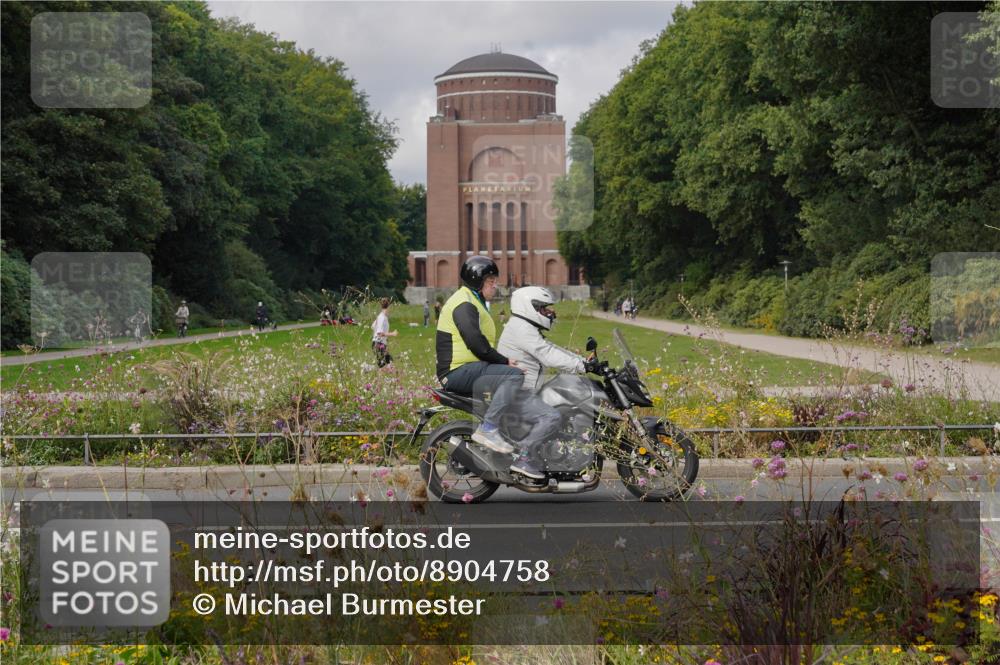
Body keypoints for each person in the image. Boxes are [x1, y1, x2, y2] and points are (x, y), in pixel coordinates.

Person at [497, 286, 589, 479]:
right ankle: (523, 459)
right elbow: (546, 355)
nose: (549, 312)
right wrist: (582, 367)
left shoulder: (525, 327)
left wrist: (583, 362)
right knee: (551, 417)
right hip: (518, 392)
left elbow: (550, 348)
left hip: (524, 388)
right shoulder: (522, 329)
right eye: (544, 308)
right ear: (530, 308)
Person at [436, 256, 522, 453]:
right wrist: (505, 362)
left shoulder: (471, 300)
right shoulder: (464, 303)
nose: (495, 286)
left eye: (495, 281)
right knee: (514, 375)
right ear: (477, 281)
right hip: (457, 371)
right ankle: (488, 429)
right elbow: (476, 344)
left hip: (467, 369)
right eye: (491, 282)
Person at [371, 297, 397, 367]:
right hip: (378, 344)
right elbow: (379, 333)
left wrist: (384, 340)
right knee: (388, 364)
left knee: (384, 365)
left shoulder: (381, 316)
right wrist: (392, 334)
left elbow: (373, 326)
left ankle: (382, 376)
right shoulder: (382, 318)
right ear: (389, 307)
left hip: (379, 344)